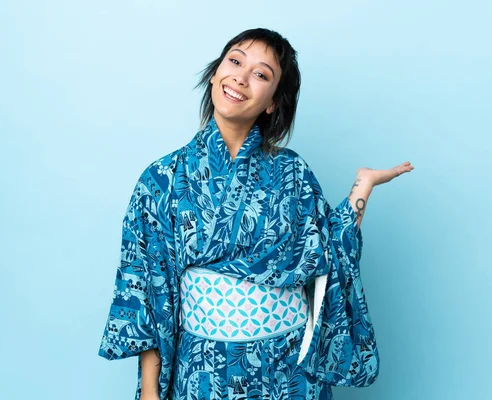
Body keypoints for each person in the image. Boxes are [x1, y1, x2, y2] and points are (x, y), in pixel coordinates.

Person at [98, 27, 413, 400]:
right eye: (234, 61)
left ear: (272, 103)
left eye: (261, 74)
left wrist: (363, 188)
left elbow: (329, 253)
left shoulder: (293, 174)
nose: (241, 78)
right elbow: (147, 289)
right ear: (215, 73)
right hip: (203, 369)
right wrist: (150, 394)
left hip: (287, 369)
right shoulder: (162, 179)